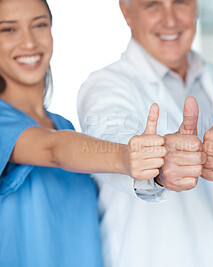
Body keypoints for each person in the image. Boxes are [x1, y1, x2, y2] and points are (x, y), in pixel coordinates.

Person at [77, 0, 213, 266]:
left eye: (180, 2)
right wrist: (158, 165)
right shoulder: (105, 86)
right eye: (152, 5)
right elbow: (110, 137)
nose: (170, 20)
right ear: (126, 11)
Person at [0, 0, 167, 266]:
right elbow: (53, 150)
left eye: (39, 25)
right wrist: (126, 156)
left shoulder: (65, 126)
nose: (29, 43)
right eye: (8, 30)